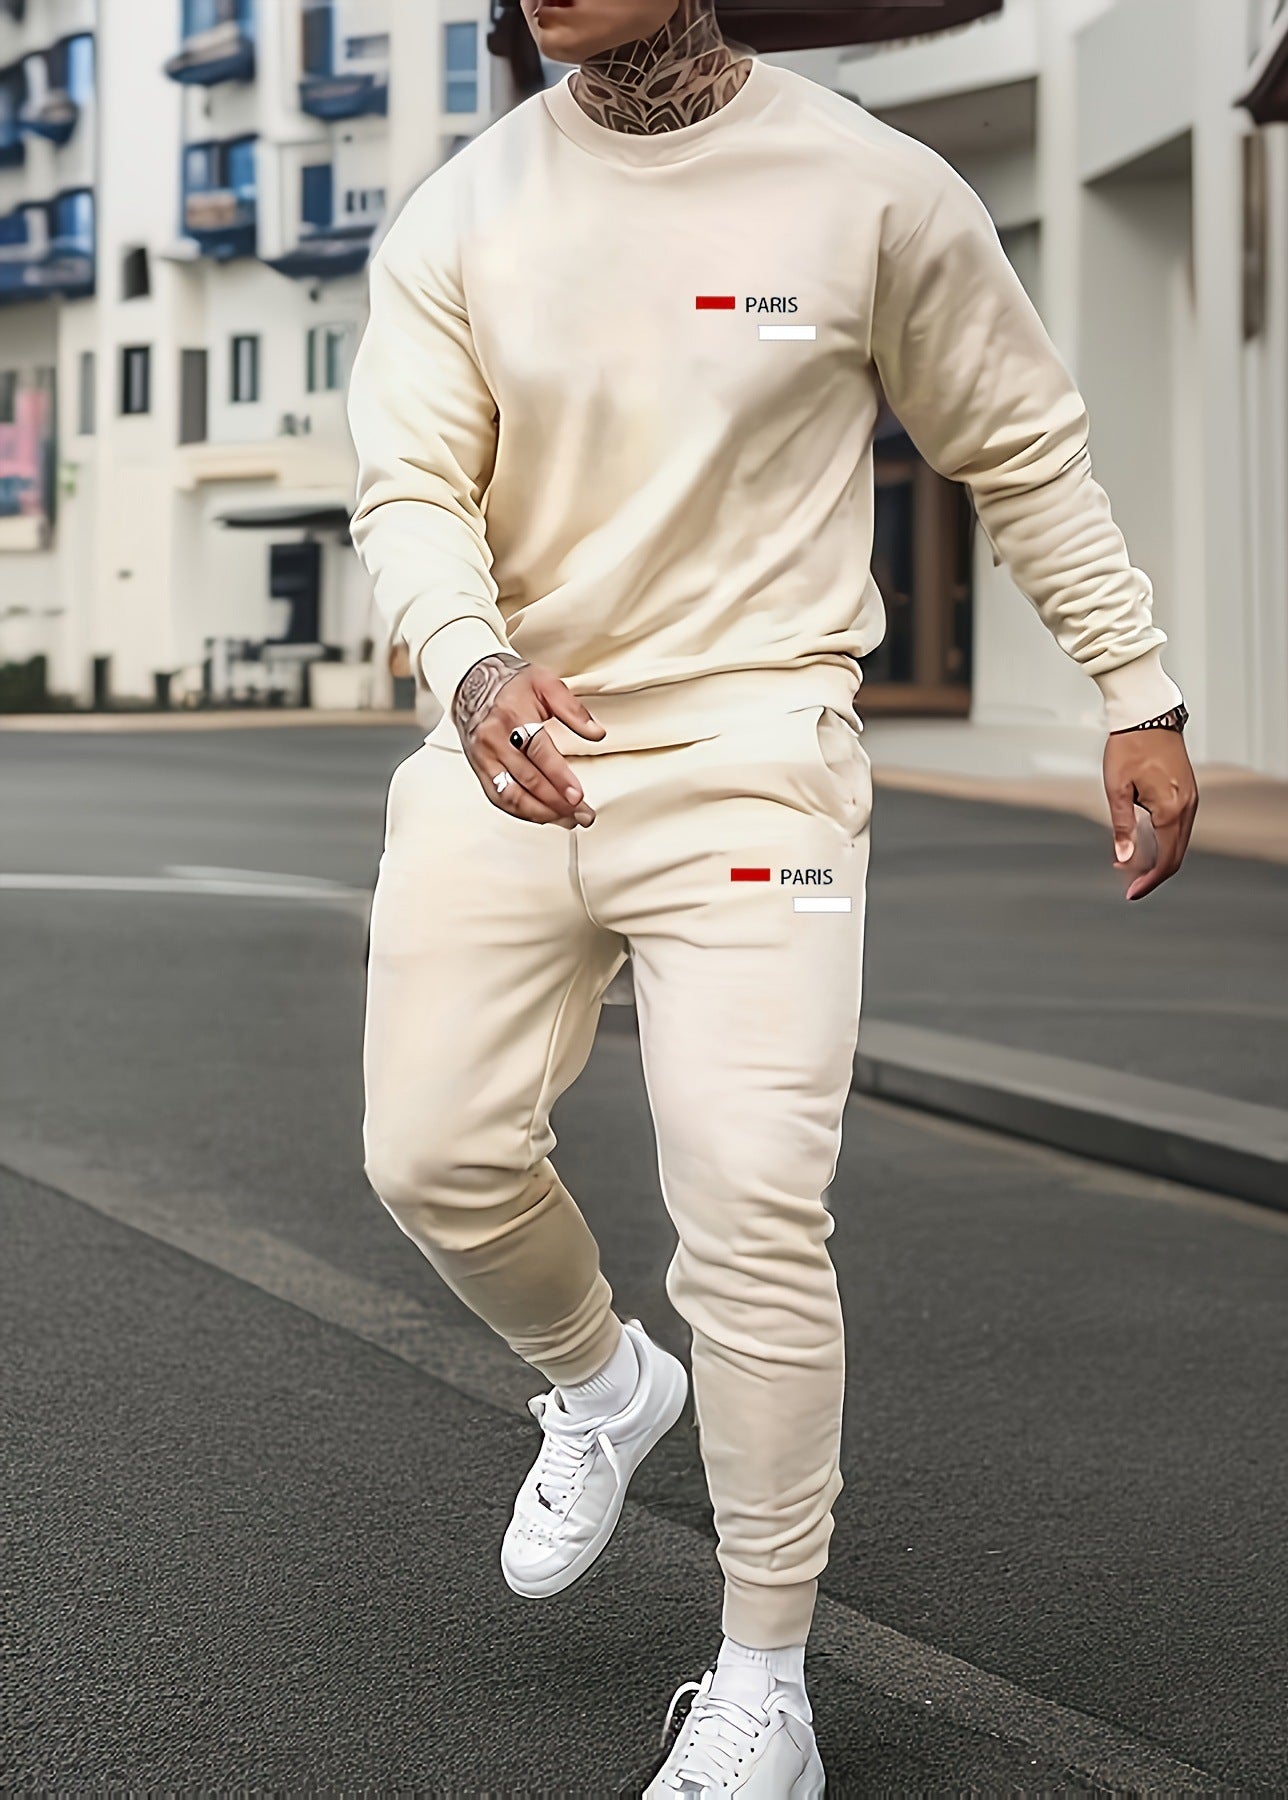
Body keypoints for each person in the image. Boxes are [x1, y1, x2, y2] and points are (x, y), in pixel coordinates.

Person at [345, 1, 1200, 1791]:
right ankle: (601, 1383)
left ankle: (763, 1684)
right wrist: (471, 662)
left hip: (760, 768)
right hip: (511, 744)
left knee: (747, 1207)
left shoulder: (868, 190)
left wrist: (1135, 689)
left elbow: (1019, 446)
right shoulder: (464, 210)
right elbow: (408, 485)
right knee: (430, 1156)